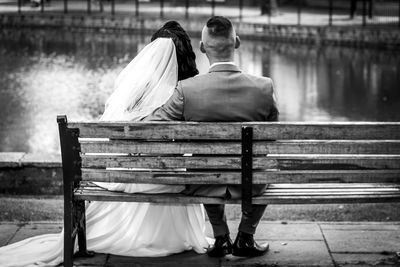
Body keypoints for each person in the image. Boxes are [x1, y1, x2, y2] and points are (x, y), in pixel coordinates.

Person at [0, 21, 209, 267]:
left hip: (129, 178)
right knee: (178, 176)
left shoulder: (134, 93)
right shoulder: (186, 93)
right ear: (185, 55)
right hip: (166, 183)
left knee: (138, 173)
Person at [144, 16, 279, 258]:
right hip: (252, 183)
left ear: (203, 48)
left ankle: (221, 237)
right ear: (236, 42)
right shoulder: (264, 88)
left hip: (204, 181)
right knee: (265, 169)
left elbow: (151, 126)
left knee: (205, 166)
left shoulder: (188, 90)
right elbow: (272, 136)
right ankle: (246, 236)